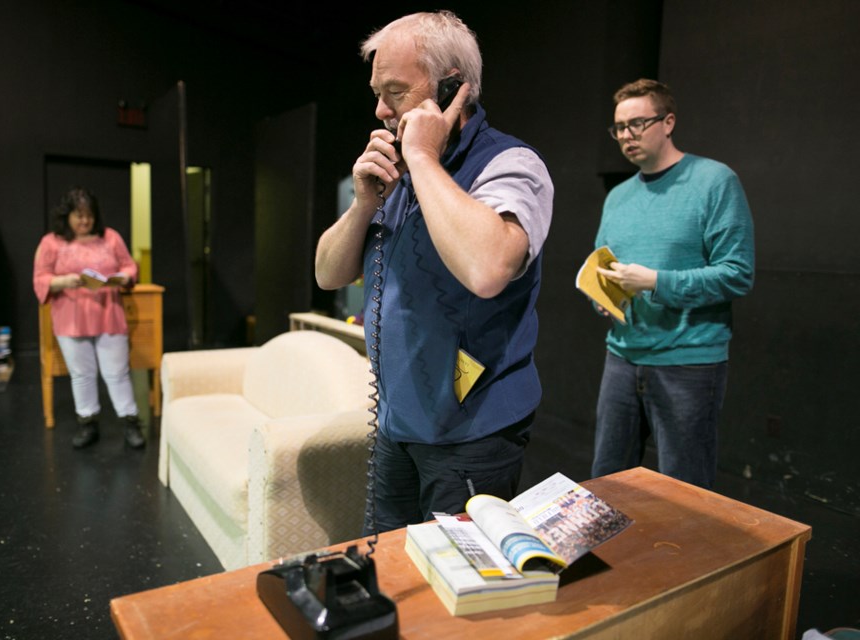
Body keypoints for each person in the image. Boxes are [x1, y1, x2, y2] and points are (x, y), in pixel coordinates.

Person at [315, 11, 554, 533]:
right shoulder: (394, 171)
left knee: (454, 591)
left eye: (396, 92)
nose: (380, 110)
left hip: (471, 434)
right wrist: (361, 205)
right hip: (398, 424)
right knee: (394, 572)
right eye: (377, 92)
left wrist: (423, 158)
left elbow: (489, 269)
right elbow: (327, 274)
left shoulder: (510, 164)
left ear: (452, 90)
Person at [590, 78, 755, 489]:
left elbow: (737, 273)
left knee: (686, 491)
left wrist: (655, 283)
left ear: (668, 122)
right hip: (622, 357)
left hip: (688, 362)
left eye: (637, 124)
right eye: (619, 128)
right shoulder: (619, 197)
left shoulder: (714, 182)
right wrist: (604, 296)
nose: (626, 136)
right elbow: (602, 266)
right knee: (607, 485)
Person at [33, 187, 145, 450]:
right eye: (78, 216)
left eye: (89, 215)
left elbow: (128, 265)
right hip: (71, 317)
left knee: (117, 372)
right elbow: (40, 277)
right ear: (67, 216)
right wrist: (64, 280)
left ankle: (130, 422)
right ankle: (88, 423)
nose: (85, 221)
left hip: (108, 312)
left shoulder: (110, 238)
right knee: (82, 374)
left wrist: (126, 276)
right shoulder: (52, 242)